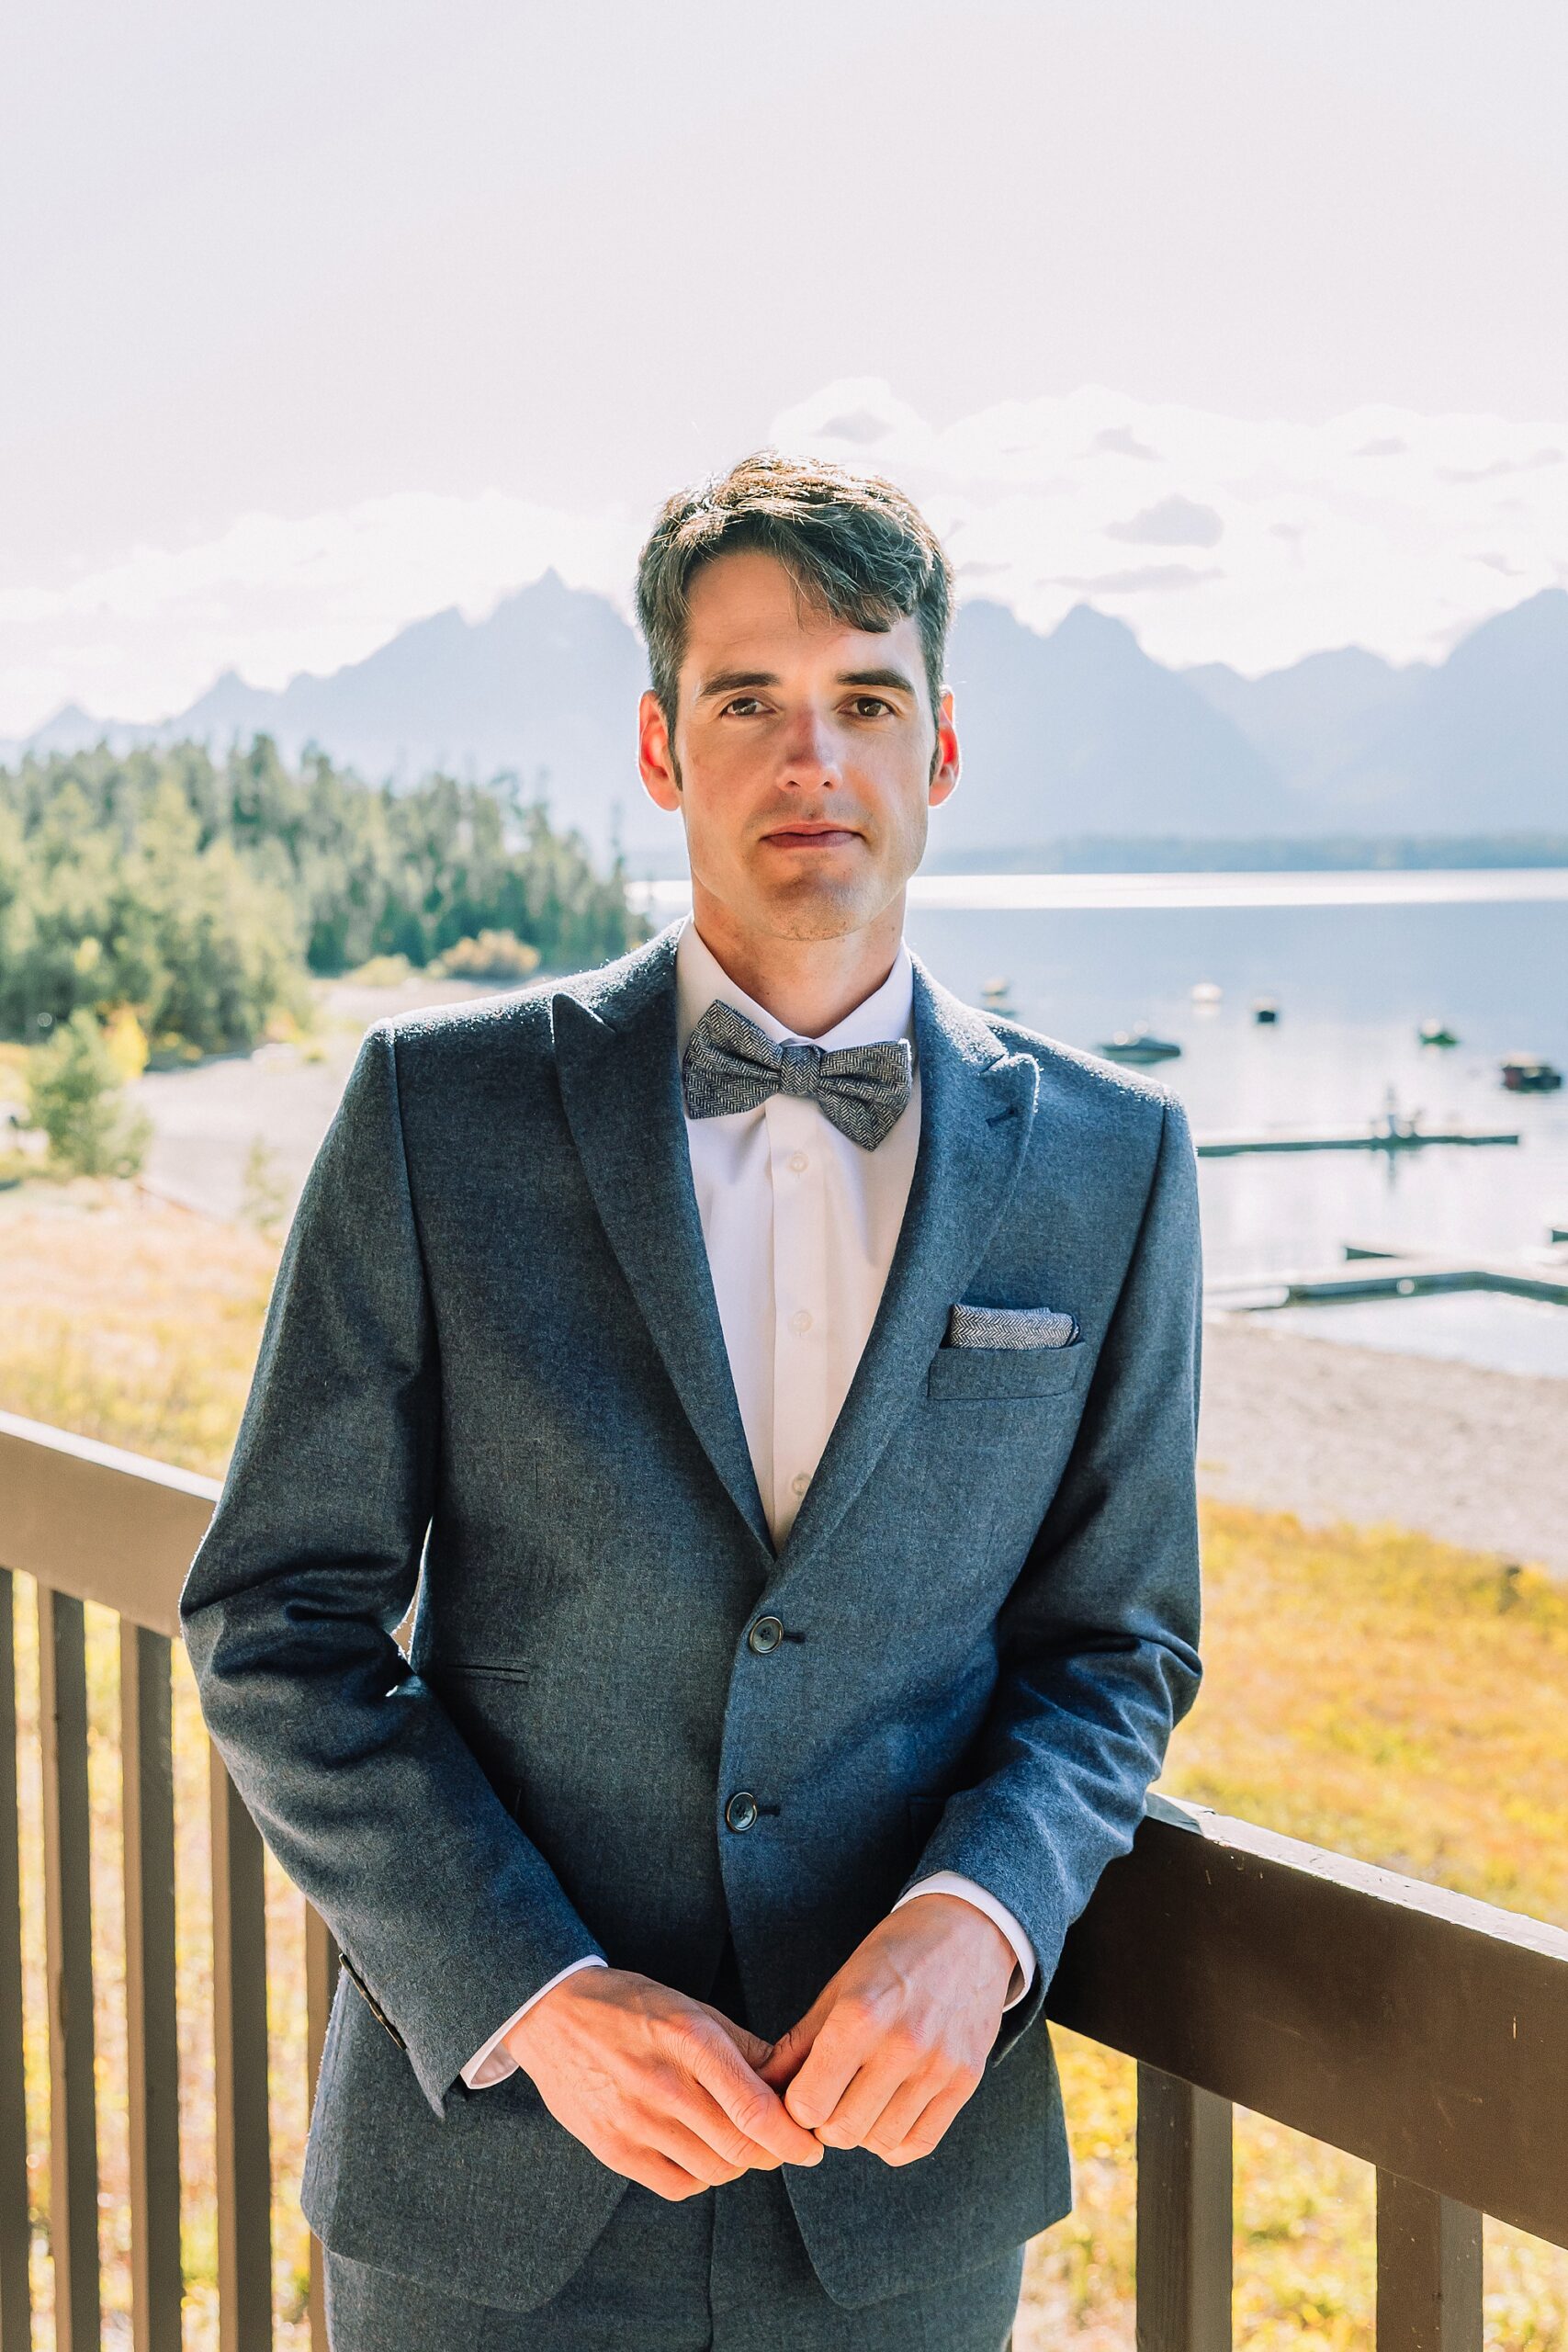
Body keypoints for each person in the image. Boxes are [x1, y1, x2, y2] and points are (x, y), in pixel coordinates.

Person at [180, 450, 1203, 2351]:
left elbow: (1113, 1646)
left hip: (895, 2186)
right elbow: (276, 1617)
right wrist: (535, 1994)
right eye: (746, 699)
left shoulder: (1111, 1162)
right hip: (487, 2186)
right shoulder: (434, 1108)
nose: (809, 754)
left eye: (863, 700)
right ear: (661, 747)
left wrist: (978, 1919)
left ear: (940, 752)